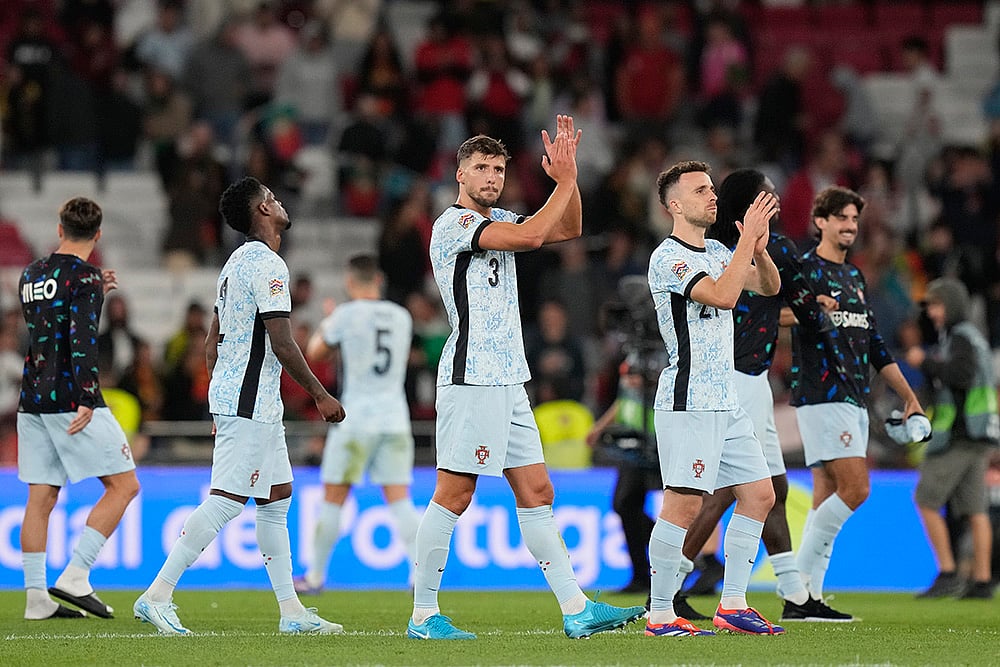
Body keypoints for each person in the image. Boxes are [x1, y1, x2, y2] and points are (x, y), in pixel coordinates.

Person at [407, 116, 645, 640]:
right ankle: (424, 614)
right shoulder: (454, 225)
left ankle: (576, 608)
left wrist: (571, 177)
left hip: (509, 377)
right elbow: (537, 233)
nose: (491, 176)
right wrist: (559, 185)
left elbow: (567, 228)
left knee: (538, 489)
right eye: (481, 168)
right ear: (460, 174)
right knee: (454, 494)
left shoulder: (501, 218)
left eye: (498, 168)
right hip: (472, 375)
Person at [133, 177, 346, 635]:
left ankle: (292, 612)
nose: (279, 200)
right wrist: (320, 394)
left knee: (275, 501)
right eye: (271, 196)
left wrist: (218, 402)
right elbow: (284, 342)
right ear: (263, 210)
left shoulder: (232, 265)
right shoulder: (268, 264)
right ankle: (158, 594)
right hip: (249, 403)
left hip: (251, 404)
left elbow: (212, 343)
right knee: (227, 501)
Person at [679, 168, 844, 622]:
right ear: (751, 205)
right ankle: (676, 584)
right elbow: (803, 301)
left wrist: (801, 310)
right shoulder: (759, 248)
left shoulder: (718, 250)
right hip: (735, 378)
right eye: (767, 195)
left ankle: (792, 593)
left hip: (745, 377)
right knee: (731, 489)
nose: (775, 198)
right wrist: (821, 305)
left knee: (768, 486)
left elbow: (773, 302)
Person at [645, 160, 784, 637]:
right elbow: (723, 297)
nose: (712, 196)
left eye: (711, 188)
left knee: (760, 494)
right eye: (700, 190)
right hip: (689, 399)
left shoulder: (722, 249)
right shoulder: (669, 258)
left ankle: (733, 604)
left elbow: (769, 288)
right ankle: (660, 613)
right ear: (675, 205)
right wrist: (746, 244)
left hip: (726, 400)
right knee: (683, 507)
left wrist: (759, 252)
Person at [790, 186, 925, 619]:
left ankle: (809, 597)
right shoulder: (805, 270)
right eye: (841, 218)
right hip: (822, 393)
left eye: (854, 219)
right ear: (821, 222)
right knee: (857, 488)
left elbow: (874, 346)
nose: (849, 226)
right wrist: (810, 309)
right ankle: (795, 591)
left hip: (854, 395)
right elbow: (764, 312)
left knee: (827, 491)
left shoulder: (854, 277)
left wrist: (910, 397)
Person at [18, 196, 140, 620]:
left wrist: (94, 290)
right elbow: (81, 338)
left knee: (41, 496)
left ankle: (37, 600)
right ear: (98, 234)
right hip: (72, 397)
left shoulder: (31, 273)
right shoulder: (85, 277)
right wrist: (89, 395)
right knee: (124, 486)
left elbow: (47, 324)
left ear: (59, 229)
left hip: (31, 398)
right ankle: (76, 574)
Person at [294, 254, 421, 594]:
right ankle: (419, 573)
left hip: (355, 420)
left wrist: (328, 321)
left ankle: (316, 576)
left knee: (334, 496)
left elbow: (314, 352)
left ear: (350, 283)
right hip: (394, 418)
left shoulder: (345, 315)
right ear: (378, 280)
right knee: (400, 499)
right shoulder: (401, 316)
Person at [905, 278, 996, 600]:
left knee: (926, 500)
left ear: (951, 304)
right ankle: (983, 581)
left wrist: (925, 362)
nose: (931, 312)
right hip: (980, 432)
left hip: (959, 433)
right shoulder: (973, 337)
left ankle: (948, 572)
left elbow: (959, 376)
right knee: (976, 509)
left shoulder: (959, 338)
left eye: (935, 305)